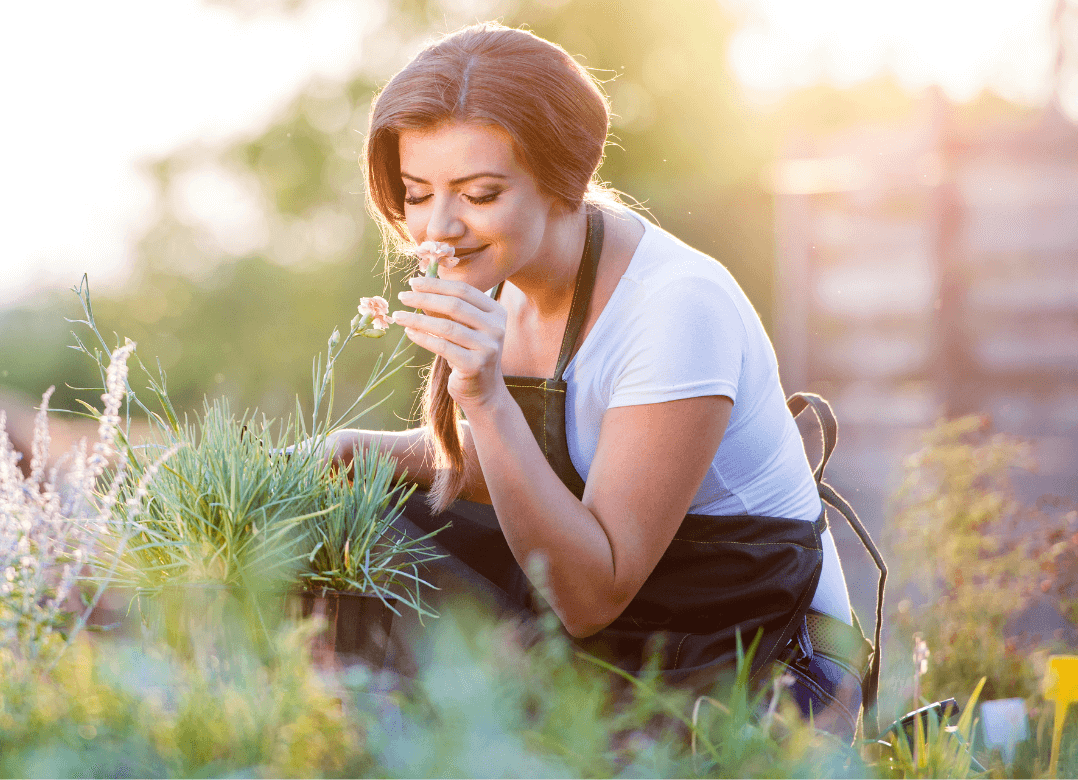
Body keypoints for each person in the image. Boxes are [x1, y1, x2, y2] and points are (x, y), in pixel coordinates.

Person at [323, 23, 880, 741]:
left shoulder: (675, 307)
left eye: (480, 193)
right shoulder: (507, 275)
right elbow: (529, 463)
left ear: (566, 179)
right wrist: (343, 453)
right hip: (635, 637)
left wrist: (484, 393)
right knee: (355, 522)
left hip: (754, 669)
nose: (439, 227)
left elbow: (589, 596)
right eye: (416, 192)